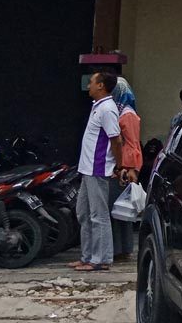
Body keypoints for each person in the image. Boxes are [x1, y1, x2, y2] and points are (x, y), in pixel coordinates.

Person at [70, 71, 121, 272]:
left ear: (101, 86)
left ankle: (101, 259)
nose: (88, 85)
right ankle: (88, 256)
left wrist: (119, 164)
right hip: (87, 168)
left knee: (98, 215)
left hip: (98, 168)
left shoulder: (107, 109)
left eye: (91, 82)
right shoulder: (97, 107)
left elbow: (115, 139)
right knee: (83, 213)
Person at [111, 77, 143, 262]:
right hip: (121, 165)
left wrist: (129, 168)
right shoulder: (120, 111)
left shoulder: (127, 114)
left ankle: (122, 248)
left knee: (120, 209)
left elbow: (132, 144)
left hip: (124, 167)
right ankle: (120, 248)